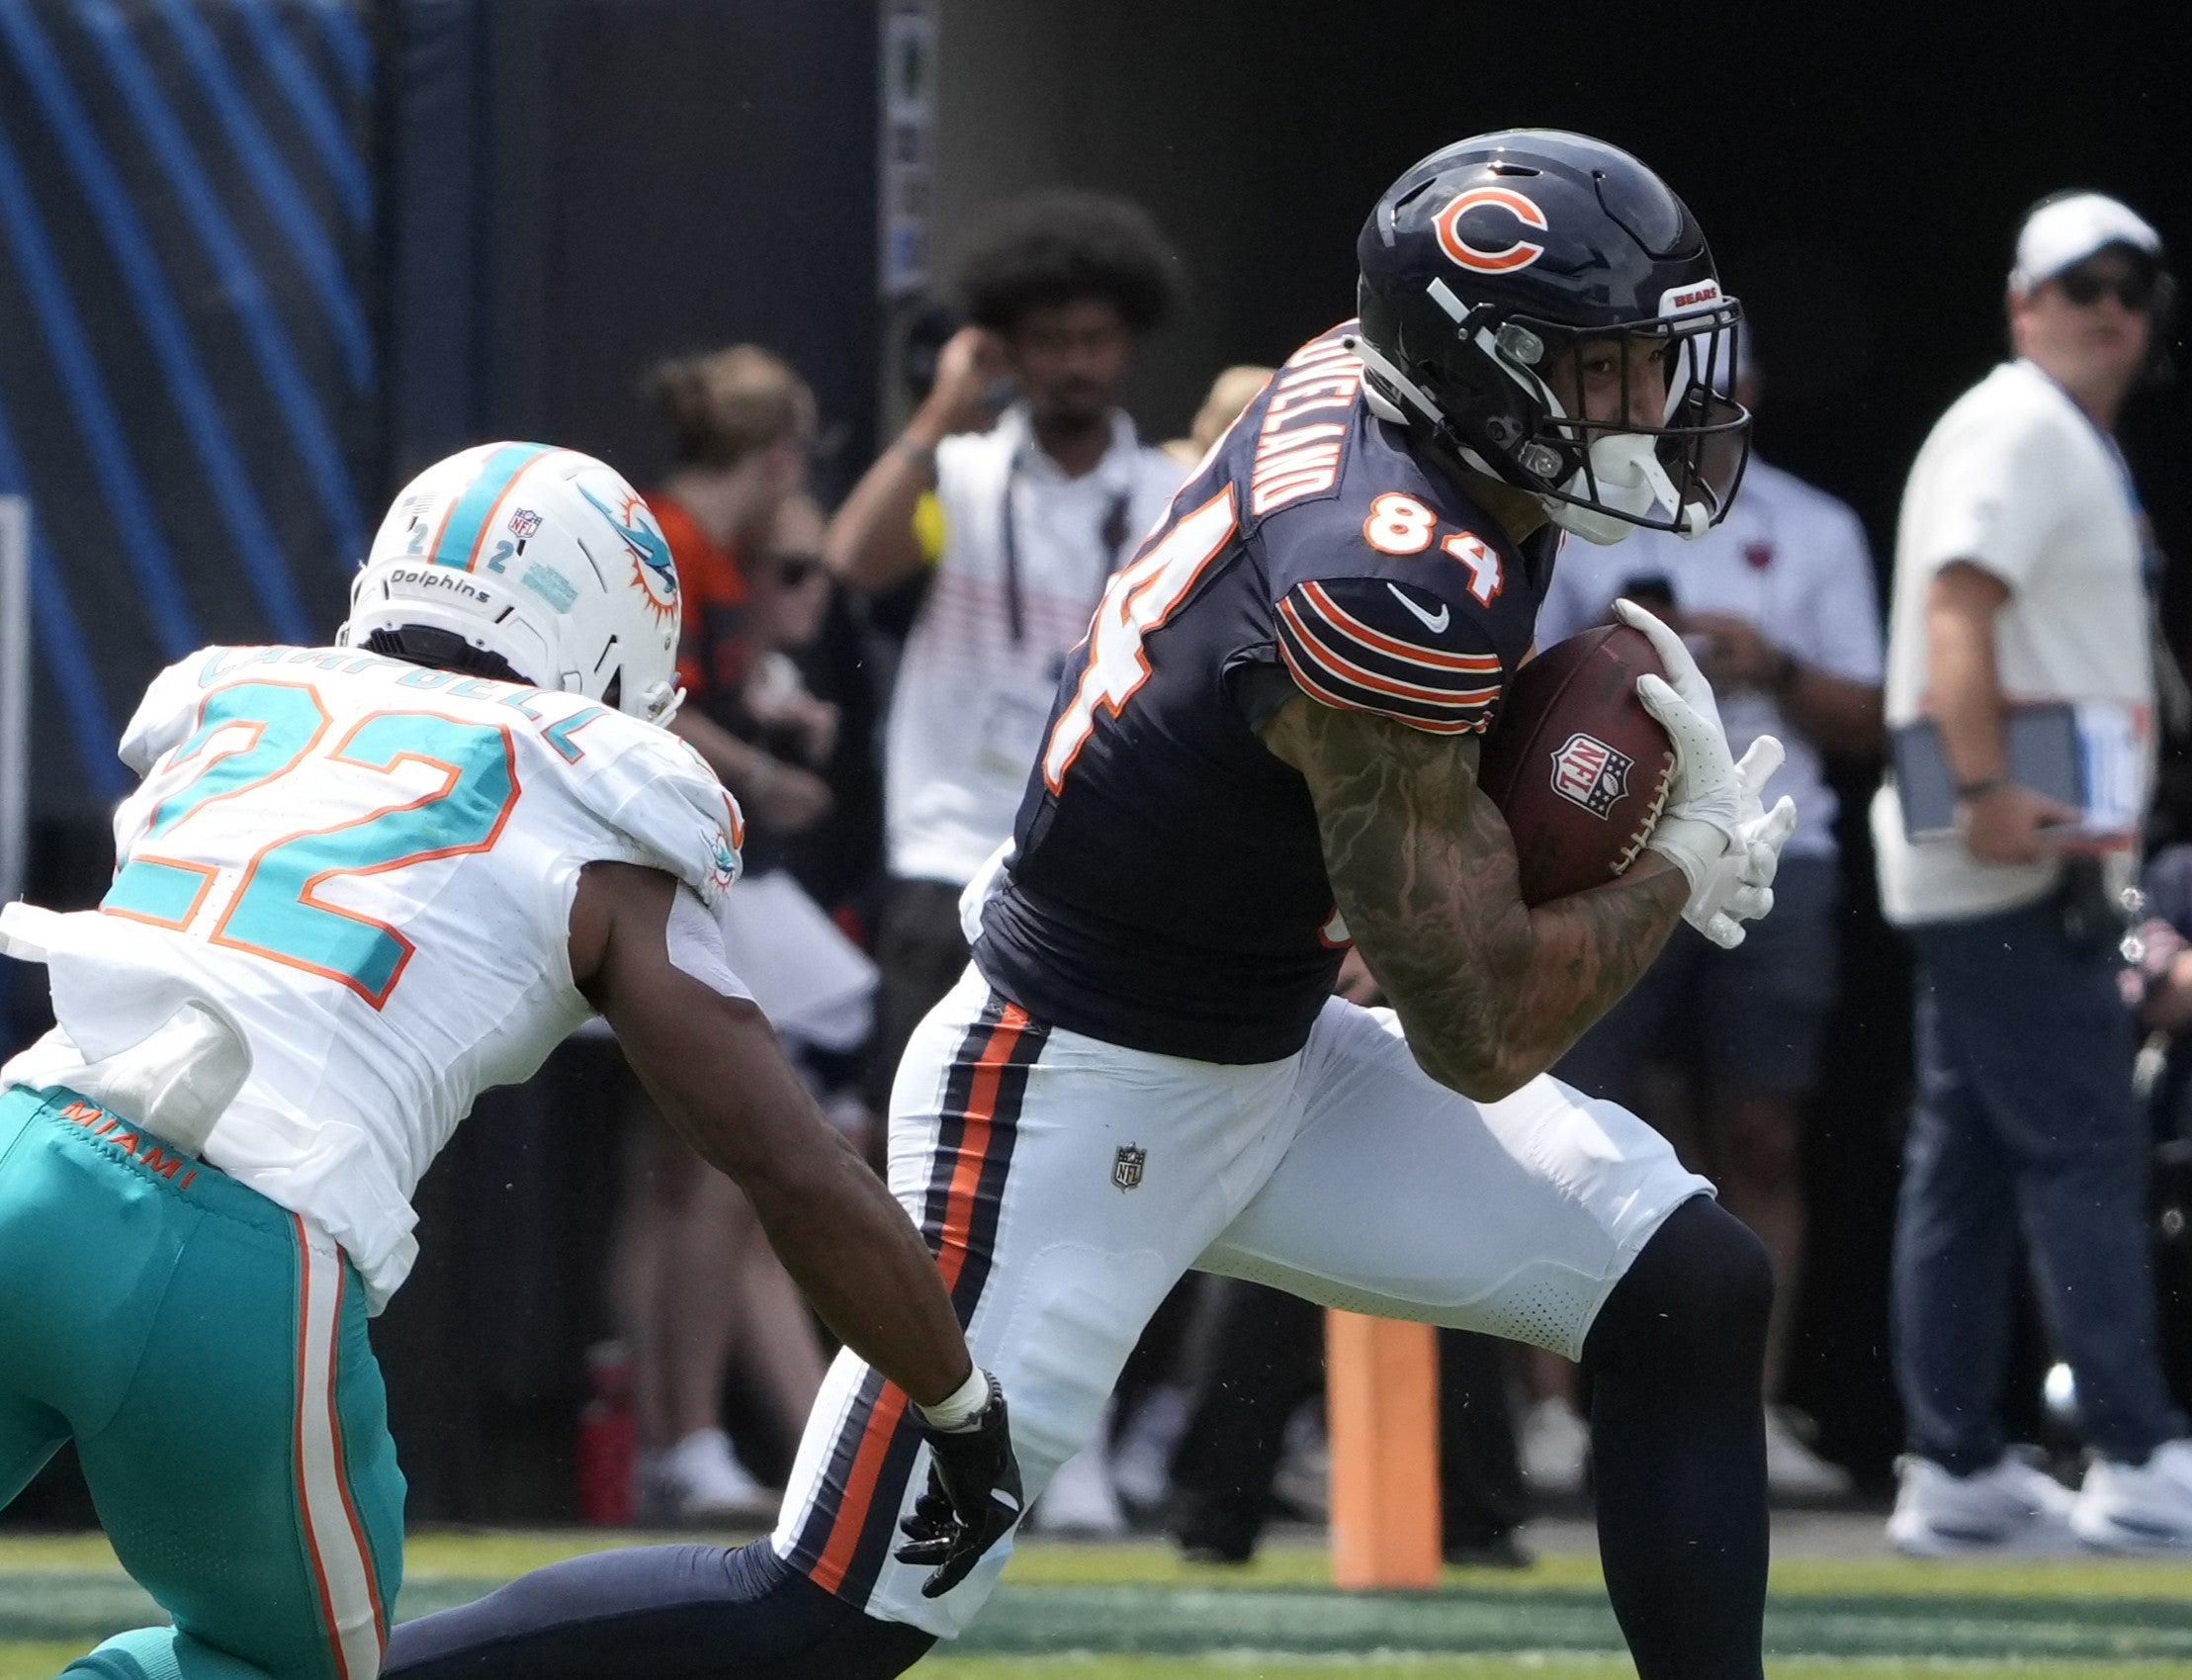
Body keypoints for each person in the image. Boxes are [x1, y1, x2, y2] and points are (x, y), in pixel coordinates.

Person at [381, 130, 1792, 1680]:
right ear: (1489, 369)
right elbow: (1474, 1028)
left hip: (1264, 1036)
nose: (1654, 406)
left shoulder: (1374, 393)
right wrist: (1673, 867)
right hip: (1071, 1087)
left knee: (1688, 1285)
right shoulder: (1384, 577)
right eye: (1606, 370)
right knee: (824, 1617)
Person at [0, 442, 1020, 1680]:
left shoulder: (239, 703)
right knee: (279, 1670)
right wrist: (959, 1403)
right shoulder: (595, 794)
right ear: (607, 642)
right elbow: (787, 1163)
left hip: (27, 1151)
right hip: (234, 1238)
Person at [1874, 193, 2192, 1553]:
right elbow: (1959, 598)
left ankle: (1955, 1463)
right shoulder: (2019, 422)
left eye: (2131, 283)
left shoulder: (2052, 432)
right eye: (2078, 283)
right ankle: (2132, 1447)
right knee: (2081, 1146)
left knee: (1970, 1167)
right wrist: (1991, 783)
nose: (2107, 304)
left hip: (2015, 850)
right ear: (2023, 303)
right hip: (2014, 847)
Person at [1526, 337, 1884, 1501]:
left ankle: (1756, 1406)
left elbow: (1874, 713)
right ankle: (1552, 1411)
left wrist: (1769, 663)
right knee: (1569, 1121)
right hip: (1609, 849)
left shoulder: (1817, 525)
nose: (1712, 405)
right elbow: (1523, 691)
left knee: (1762, 1130)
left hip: (1781, 843)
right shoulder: (1584, 506)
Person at [824, 191, 1188, 1129]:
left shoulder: (1173, 496)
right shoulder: (959, 471)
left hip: (1102, 868)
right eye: (1049, 341)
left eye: (1095, 340)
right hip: (944, 850)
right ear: (1005, 348)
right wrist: (939, 412)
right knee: (910, 1129)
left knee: (1081, 1136)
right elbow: (853, 560)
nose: (1073, 364)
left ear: (1130, 342)